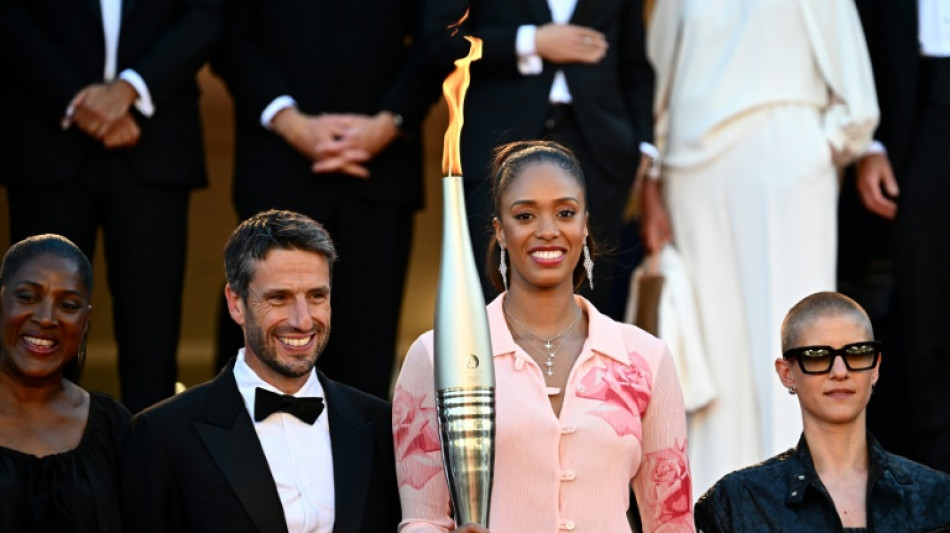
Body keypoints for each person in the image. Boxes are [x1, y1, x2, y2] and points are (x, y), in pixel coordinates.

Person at [642, 0, 880, 495]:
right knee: (712, 351)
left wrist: (821, 147)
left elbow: (855, 86)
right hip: (694, 168)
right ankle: (714, 502)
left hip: (786, 154)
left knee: (796, 336)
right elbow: (658, 77)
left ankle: (802, 501)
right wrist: (653, 177)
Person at [394, 141, 693, 532]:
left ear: (584, 224)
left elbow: (671, 524)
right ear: (500, 231)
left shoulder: (645, 358)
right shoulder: (437, 355)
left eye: (565, 213)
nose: (548, 231)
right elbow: (422, 519)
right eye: (526, 215)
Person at [209, 0, 439, 399]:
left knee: (367, 353)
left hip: (380, 173)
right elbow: (223, 30)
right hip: (276, 165)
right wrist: (288, 120)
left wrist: (390, 120)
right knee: (255, 344)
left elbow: (442, 34)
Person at [0, 0, 220, 414]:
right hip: (45, 141)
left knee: (152, 334)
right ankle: (39, 465)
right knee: (39, 323)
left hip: (155, 143)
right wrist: (76, 100)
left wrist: (129, 90)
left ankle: (149, 471)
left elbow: (207, 13)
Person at [120, 210, 399, 532]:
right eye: (279, 298)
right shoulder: (164, 433)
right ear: (236, 303)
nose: (303, 320)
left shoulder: (382, 426)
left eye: (316, 296)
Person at [422, 0, 656, 319]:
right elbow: (440, 42)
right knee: (494, 296)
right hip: (498, 143)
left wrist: (643, 145)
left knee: (592, 298)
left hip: (599, 147)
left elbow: (634, 64)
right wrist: (530, 42)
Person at [694, 291, 950, 531]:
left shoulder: (939, 496)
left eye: (858, 353)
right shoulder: (737, 502)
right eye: (817, 355)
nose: (840, 372)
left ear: (875, 367)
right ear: (786, 373)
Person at [852, 0, 950, 474]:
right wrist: (870, 142)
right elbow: (859, 35)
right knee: (925, 313)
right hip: (920, 114)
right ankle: (938, 479)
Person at [0, 234, 131, 532]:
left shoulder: (115, 429)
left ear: (85, 321)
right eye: (28, 297)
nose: (46, 318)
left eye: (68, 305)